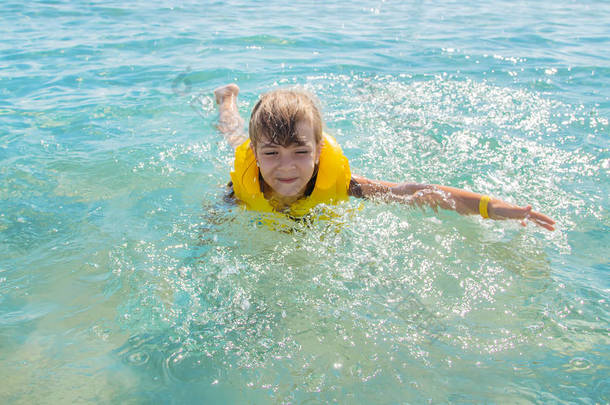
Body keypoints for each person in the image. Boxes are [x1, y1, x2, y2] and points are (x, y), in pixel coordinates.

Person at [213, 84, 555, 231]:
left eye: (300, 152)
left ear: (318, 152)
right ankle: (226, 101)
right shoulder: (242, 184)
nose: (286, 166)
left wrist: (490, 207)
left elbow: (415, 191)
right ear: (257, 155)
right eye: (271, 153)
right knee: (233, 134)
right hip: (246, 170)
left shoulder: (344, 185)